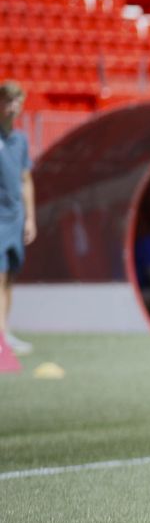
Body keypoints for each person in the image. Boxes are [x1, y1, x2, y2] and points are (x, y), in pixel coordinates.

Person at [0, 81, 37, 355]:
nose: (13, 107)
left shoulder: (20, 140)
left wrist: (30, 219)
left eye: (16, 102)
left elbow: (26, 180)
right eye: (7, 101)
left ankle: (5, 332)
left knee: (10, 275)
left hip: (15, 218)